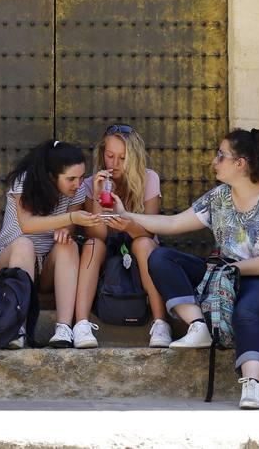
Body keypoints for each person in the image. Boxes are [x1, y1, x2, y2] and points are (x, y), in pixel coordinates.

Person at [111, 128, 259, 410]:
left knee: (247, 309)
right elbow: (174, 224)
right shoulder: (219, 197)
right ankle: (197, 325)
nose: (214, 161)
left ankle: (251, 385)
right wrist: (125, 215)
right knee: (161, 257)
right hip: (226, 276)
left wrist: (233, 270)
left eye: (221, 155)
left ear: (241, 163)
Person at [0, 139, 101, 348]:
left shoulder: (78, 190)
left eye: (82, 177)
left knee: (69, 245)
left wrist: (66, 231)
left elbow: (69, 229)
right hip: (11, 262)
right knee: (24, 244)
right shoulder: (24, 181)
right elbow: (27, 225)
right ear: (51, 177)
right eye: (71, 179)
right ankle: (17, 328)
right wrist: (71, 220)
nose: (78, 184)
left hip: (46, 267)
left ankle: (64, 328)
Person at [72, 123, 171, 349]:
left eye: (122, 158)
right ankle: (81, 324)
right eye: (109, 156)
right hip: (106, 249)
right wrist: (97, 197)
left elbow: (150, 229)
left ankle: (160, 323)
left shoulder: (149, 178)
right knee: (92, 244)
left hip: (138, 247)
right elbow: (96, 233)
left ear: (134, 158)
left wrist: (125, 223)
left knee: (144, 244)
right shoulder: (90, 183)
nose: (114, 164)